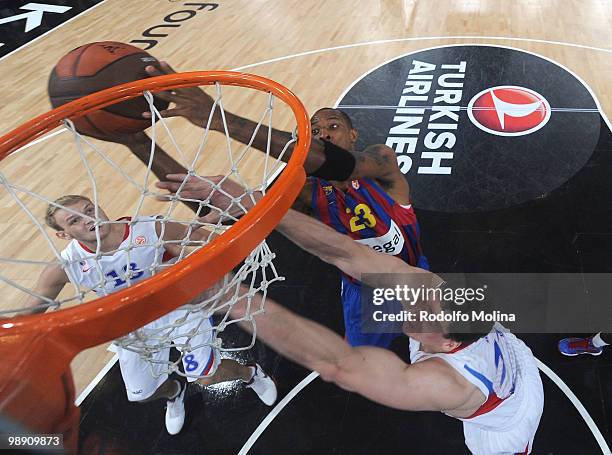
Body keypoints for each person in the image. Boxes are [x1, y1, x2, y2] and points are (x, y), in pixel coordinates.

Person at [157, 177, 545, 454]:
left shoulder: (444, 384)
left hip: (505, 419)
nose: (412, 301)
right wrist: (257, 205)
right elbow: (344, 252)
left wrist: (227, 295)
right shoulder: (429, 288)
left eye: (425, 311)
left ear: (447, 342)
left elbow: (338, 365)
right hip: (510, 357)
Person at [146, 62, 428, 348]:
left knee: (454, 358)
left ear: (353, 134)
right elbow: (223, 211)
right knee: (366, 365)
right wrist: (138, 143)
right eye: (314, 131)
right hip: (364, 292)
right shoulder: (305, 191)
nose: (324, 134)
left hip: (416, 275)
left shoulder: (381, 161)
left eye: (333, 126)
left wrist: (218, 119)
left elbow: (337, 164)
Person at [26, 194, 277, 435]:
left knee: (207, 377)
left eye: (88, 210)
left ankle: (249, 374)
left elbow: (209, 239)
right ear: (63, 234)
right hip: (133, 323)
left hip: (178, 306)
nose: (88, 219)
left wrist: (190, 264)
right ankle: (174, 392)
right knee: (143, 393)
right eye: (74, 221)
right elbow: (30, 310)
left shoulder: (149, 228)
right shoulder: (66, 264)